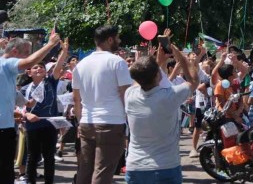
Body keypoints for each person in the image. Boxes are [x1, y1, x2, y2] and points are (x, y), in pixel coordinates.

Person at [0, 33, 61, 184]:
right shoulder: (6, 63)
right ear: (15, 52)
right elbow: (28, 62)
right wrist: (50, 45)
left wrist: (20, 109)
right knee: (4, 173)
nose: (28, 57)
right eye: (26, 53)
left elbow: (2, 97)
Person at [125, 42, 198, 184]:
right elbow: (194, 80)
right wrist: (179, 55)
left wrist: (157, 62)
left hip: (135, 167)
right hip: (165, 167)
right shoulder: (170, 96)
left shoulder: (130, 94)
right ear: (158, 75)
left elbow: (142, 77)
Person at [73, 25, 133, 184]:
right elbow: (125, 95)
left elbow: (76, 99)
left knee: (85, 170)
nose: (119, 41)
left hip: (87, 121)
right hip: (111, 122)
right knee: (103, 171)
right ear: (110, 39)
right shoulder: (117, 62)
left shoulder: (81, 64)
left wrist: (80, 122)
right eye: (118, 38)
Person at [22, 39, 70, 184]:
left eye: (42, 68)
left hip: (49, 125)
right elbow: (21, 108)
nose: (39, 69)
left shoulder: (50, 82)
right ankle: (30, 180)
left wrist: (64, 51)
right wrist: (27, 114)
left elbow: (58, 66)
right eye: (35, 67)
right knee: (32, 155)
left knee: (49, 156)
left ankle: (49, 181)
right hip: (32, 126)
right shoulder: (25, 89)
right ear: (29, 72)